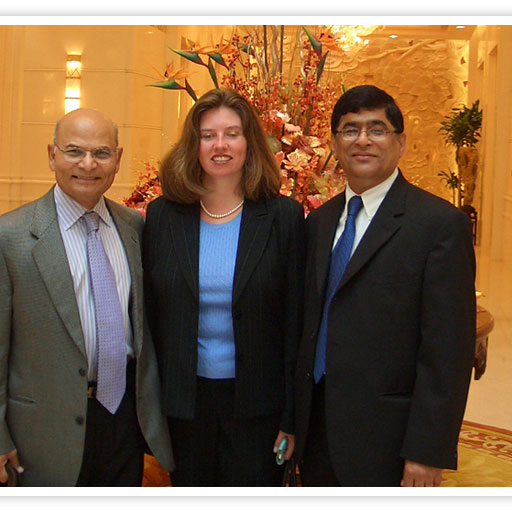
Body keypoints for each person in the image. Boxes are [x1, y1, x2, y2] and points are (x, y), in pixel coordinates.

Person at [0, 108, 174, 486]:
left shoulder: (133, 227)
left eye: (102, 153)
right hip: (45, 429)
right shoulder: (6, 240)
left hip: (123, 419)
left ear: (118, 159)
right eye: (74, 151)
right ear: (52, 155)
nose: (88, 164)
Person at [293, 85, 476, 487]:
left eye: (377, 130)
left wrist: (427, 450)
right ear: (334, 145)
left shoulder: (438, 226)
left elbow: (448, 352)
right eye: (350, 130)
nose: (362, 140)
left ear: (401, 143)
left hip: (387, 437)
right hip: (317, 431)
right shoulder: (318, 223)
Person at [142, 89, 305, 486]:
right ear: (193, 145)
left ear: (250, 142)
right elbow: (150, 317)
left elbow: (296, 324)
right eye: (208, 135)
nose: (220, 145)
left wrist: (292, 417)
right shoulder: (163, 216)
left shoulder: (283, 217)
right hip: (183, 404)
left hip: (259, 406)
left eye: (232, 133)